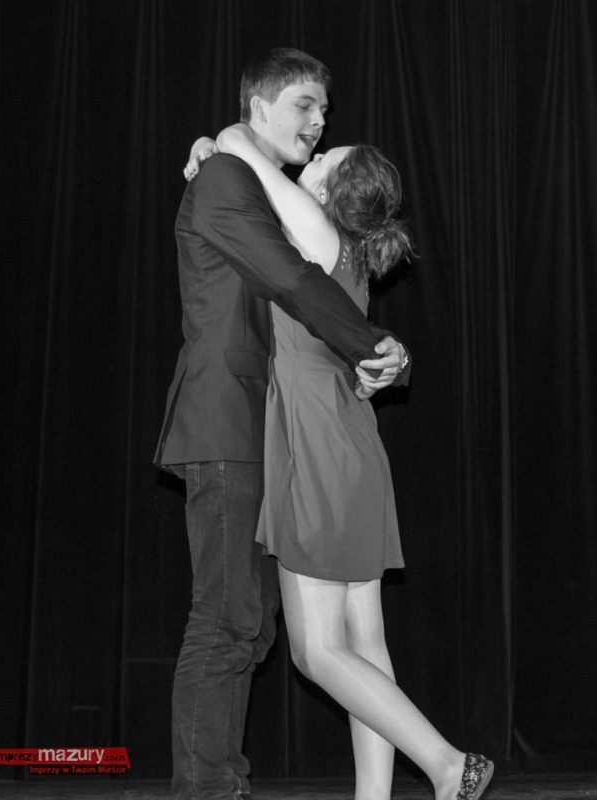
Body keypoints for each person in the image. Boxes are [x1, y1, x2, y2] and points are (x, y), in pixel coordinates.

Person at [186, 124, 494, 800]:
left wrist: (216, 141)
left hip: (320, 444)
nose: (315, 152)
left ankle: (449, 766)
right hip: (350, 442)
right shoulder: (343, 251)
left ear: (329, 192)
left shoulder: (318, 232)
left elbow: (244, 145)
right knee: (364, 641)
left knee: (316, 651)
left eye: (326, 157)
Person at [155, 48, 411, 800]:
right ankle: (209, 788)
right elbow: (292, 280)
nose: (319, 120)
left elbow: (323, 278)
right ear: (259, 105)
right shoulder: (225, 179)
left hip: (279, 435)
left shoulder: (265, 188)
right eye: (305, 104)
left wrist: (385, 358)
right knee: (231, 618)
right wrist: (379, 349)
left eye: (325, 110)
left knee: (256, 623)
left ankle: (223, 781)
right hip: (229, 420)